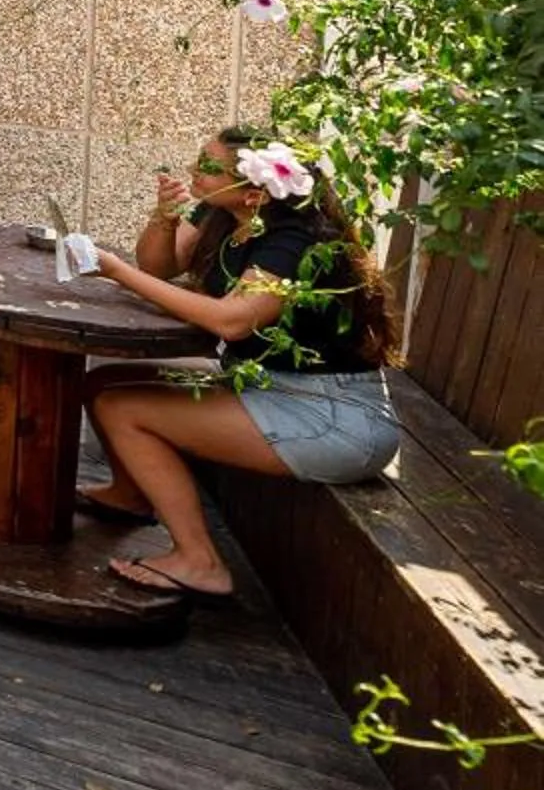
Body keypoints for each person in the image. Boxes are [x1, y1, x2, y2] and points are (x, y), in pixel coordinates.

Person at [64, 128, 400, 602]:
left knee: (123, 408)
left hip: (334, 417)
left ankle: (200, 561)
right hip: (266, 385)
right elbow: (160, 264)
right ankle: (130, 493)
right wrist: (165, 218)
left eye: (207, 167)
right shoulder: (225, 212)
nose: (193, 172)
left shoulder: (291, 239)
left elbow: (234, 322)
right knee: (106, 381)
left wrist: (118, 272)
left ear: (254, 191)